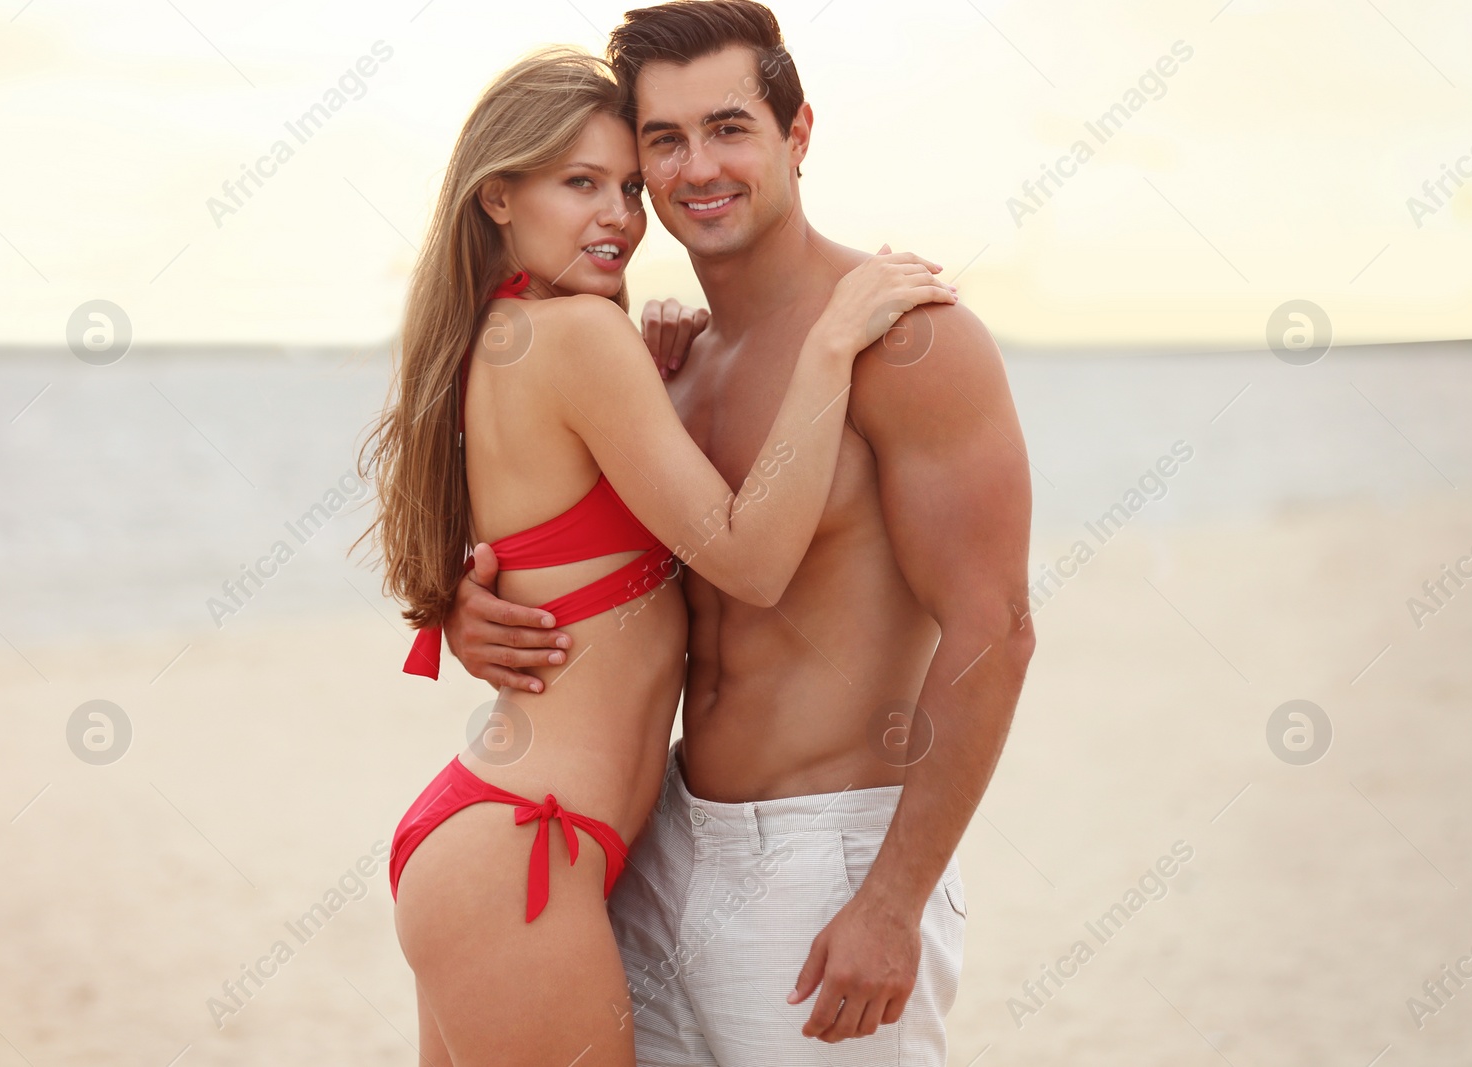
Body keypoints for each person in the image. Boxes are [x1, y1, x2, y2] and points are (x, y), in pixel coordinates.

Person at [439, 3, 1036, 1065]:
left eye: (728, 127)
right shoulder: (669, 360)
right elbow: (590, 553)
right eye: (660, 141)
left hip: (826, 857)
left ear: (797, 133)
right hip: (663, 840)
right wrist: (475, 608)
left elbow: (993, 628)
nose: (694, 166)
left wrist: (893, 899)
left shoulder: (909, 341)